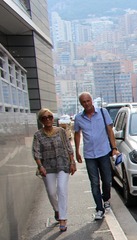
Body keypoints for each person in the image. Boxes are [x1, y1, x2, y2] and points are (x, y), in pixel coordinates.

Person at [73, 92, 120, 220]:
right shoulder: (78, 118)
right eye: (83, 102)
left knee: (107, 180)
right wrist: (77, 151)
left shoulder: (103, 112)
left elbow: (110, 130)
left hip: (104, 152)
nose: (86, 104)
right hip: (89, 155)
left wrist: (114, 148)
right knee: (94, 182)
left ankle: (106, 199)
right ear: (81, 103)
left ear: (92, 100)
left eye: (88, 101)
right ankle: (99, 208)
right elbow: (77, 134)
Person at [32, 108, 77, 232]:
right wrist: (40, 166)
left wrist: (72, 162)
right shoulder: (38, 135)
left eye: (50, 117)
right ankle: (57, 209)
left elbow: (68, 147)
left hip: (62, 164)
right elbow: (36, 152)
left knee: (61, 189)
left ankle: (63, 218)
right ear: (41, 120)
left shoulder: (61, 131)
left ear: (53, 118)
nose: (48, 120)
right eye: (44, 118)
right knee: (51, 192)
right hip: (47, 167)